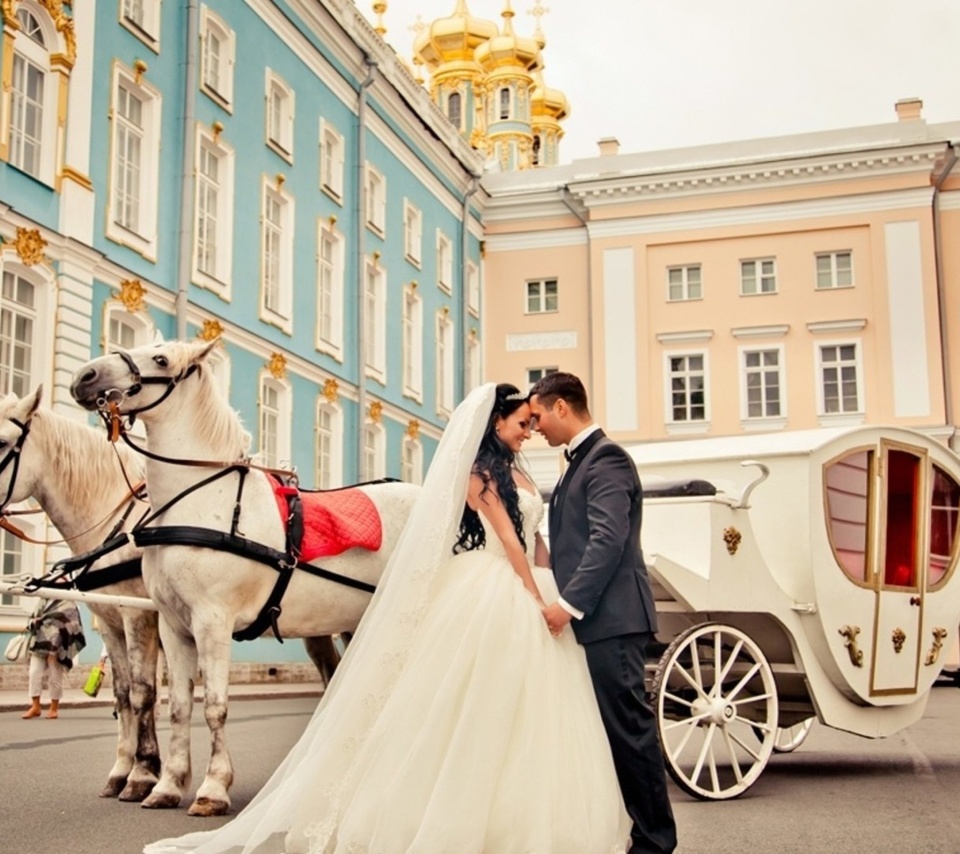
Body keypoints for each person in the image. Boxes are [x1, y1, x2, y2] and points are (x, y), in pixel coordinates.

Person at [145, 382, 630, 854]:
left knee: (528, 709)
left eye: (532, 421)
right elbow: (505, 537)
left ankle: (523, 807)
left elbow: (530, 538)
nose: (529, 430)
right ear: (495, 422)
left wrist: (549, 583)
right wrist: (533, 594)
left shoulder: (515, 472)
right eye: (522, 423)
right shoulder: (480, 474)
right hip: (498, 585)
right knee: (475, 707)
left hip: (524, 580)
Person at [528, 371, 678, 854]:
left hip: (613, 619)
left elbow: (608, 539)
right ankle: (634, 832)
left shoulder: (606, 458)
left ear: (562, 408)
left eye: (539, 417)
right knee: (610, 733)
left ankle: (656, 842)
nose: (536, 428)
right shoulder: (578, 462)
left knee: (629, 732)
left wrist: (568, 606)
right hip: (599, 620)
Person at [21, 598, 86, 720]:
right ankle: (35, 707)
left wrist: (58, 637)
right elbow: (32, 618)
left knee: (55, 676)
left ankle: (54, 708)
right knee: (34, 673)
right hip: (39, 642)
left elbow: (74, 625)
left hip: (58, 646)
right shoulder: (43, 600)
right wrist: (34, 622)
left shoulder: (69, 603)